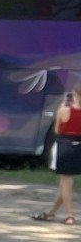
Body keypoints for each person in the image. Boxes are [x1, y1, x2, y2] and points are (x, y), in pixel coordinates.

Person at [35, 87, 79, 223]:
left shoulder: (64, 110)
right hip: (79, 147)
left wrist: (61, 107)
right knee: (64, 183)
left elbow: (57, 130)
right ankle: (51, 213)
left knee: (66, 181)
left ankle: (70, 215)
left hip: (65, 146)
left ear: (74, 94)